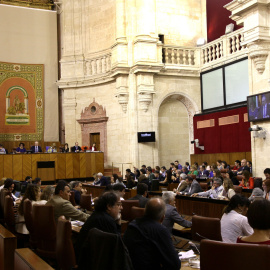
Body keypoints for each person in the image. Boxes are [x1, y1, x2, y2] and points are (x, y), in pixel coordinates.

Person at [123, 197, 181, 270]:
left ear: (145, 211)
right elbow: (175, 265)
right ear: (162, 218)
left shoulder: (132, 225)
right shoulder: (160, 230)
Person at [74, 191, 122, 262]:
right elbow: (117, 246)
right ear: (109, 206)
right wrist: (118, 223)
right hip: (90, 262)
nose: (121, 208)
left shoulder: (97, 215)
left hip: (83, 258)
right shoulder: (107, 220)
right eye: (118, 205)